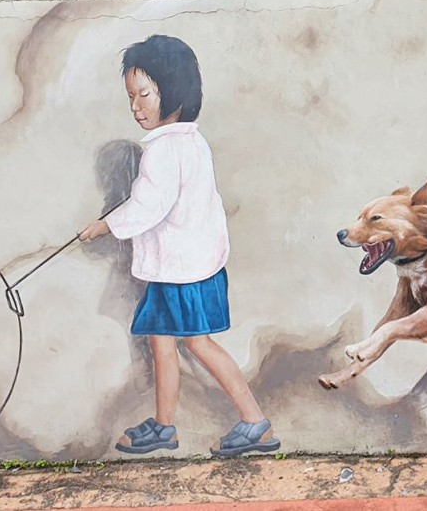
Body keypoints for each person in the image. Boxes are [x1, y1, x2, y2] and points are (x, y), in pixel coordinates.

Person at [78, 34, 279, 458]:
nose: (136, 106)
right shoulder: (190, 142)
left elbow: (147, 206)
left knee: (197, 343)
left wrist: (104, 225)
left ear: (174, 91)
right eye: (130, 96)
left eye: (144, 94)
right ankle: (165, 425)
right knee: (161, 340)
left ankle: (255, 421)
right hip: (183, 265)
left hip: (182, 270)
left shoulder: (165, 151)